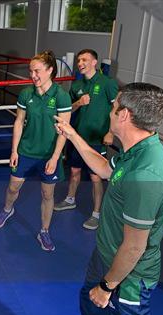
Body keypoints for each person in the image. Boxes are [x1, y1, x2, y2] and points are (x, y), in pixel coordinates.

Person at [54, 82, 163, 315]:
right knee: (90, 311)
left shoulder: (146, 175)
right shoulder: (135, 151)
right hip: (105, 255)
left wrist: (107, 286)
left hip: (128, 276)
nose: (110, 111)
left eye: (114, 106)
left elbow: (133, 247)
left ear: (125, 115)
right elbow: (103, 168)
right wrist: (72, 135)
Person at [0, 50, 72, 252]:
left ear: (50, 70)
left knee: (47, 194)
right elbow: (18, 122)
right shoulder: (27, 93)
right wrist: (14, 150)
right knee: (12, 188)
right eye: (30, 71)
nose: (32, 75)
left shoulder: (61, 96)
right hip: (26, 151)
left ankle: (44, 231)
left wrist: (55, 157)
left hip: (48, 154)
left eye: (37, 71)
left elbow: (64, 131)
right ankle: (7, 210)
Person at [54, 49, 118, 230]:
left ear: (95, 62)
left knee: (96, 176)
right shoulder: (76, 85)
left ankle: (97, 214)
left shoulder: (108, 83)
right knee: (74, 171)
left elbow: (117, 109)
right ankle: (70, 199)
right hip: (78, 137)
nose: (80, 63)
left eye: (85, 60)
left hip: (97, 138)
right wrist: (79, 103)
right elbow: (69, 110)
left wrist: (111, 133)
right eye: (79, 60)